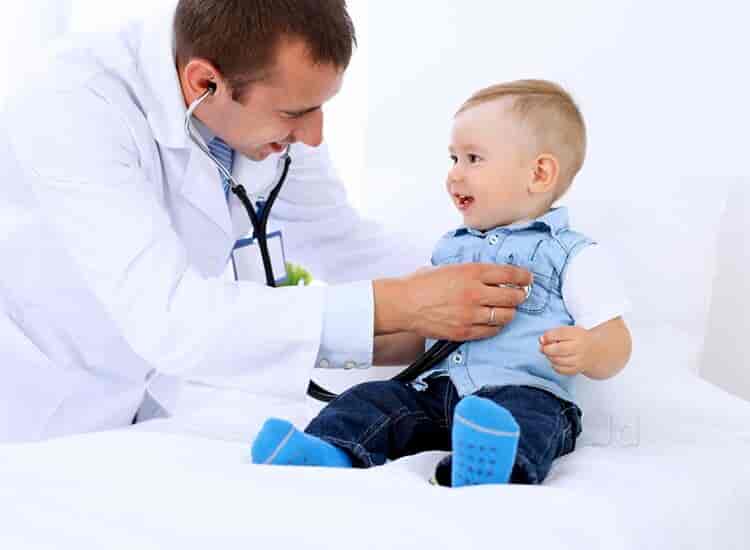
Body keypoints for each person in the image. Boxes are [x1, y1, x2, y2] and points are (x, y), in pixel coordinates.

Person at [0, 0, 531, 442]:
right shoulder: (72, 105)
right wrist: (398, 304)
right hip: (31, 399)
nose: (315, 135)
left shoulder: (266, 104)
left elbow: (340, 239)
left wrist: (494, 280)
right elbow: (169, 315)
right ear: (204, 82)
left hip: (142, 401)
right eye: (295, 114)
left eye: (320, 106)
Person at [251, 79, 633, 487]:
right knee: (371, 399)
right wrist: (335, 342)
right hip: (436, 395)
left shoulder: (571, 254)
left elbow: (617, 343)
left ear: (539, 173)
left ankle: (490, 467)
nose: (454, 175)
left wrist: (588, 349)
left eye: (473, 159)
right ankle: (326, 450)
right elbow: (425, 336)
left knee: (531, 419)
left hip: (522, 391)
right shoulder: (450, 250)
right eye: (453, 158)